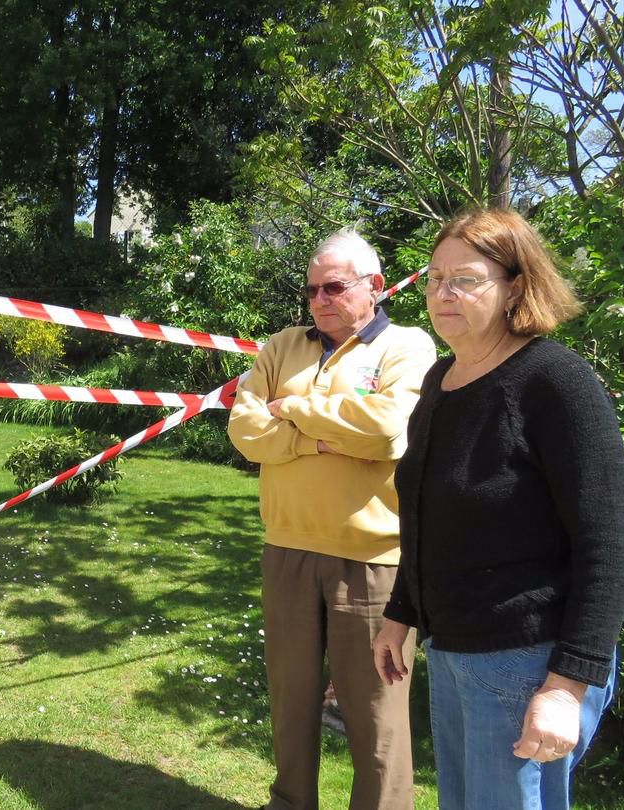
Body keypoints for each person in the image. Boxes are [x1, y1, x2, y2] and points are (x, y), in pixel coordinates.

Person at [372, 209, 624, 810]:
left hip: (529, 660)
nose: (444, 293)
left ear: (516, 285)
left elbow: (611, 543)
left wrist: (568, 686)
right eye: (434, 278)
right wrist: (401, 612)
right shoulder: (442, 380)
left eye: (465, 279)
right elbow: (427, 513)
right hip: (454, 648)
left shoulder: (554, 380)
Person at [228, 228, 437, 810]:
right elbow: (245, 432)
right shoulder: (280, 347)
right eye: (312, 290)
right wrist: (318, 442)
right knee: (291, 701)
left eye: (334, 288)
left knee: (376, 713)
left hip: (373, 558)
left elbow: (387, 431)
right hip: (287, 546)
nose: (319, 300)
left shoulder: (408, 346)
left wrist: (292, 411)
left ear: (373, 287)